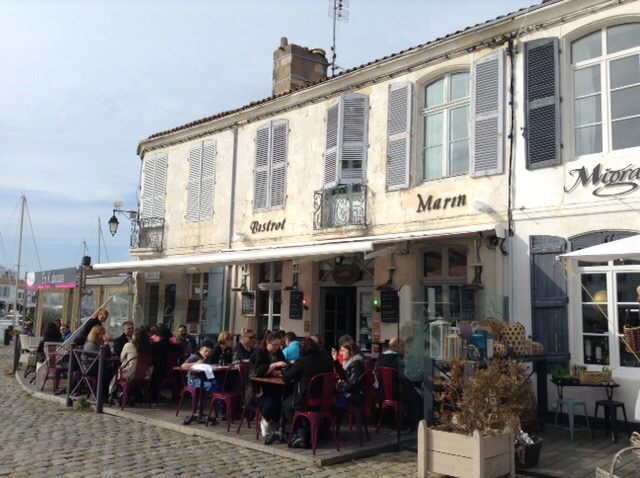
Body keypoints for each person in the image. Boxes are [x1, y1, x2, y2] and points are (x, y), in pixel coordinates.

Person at [281, 337, 334, 448]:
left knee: (286, 403)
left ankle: (301, 433)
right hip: (326, 400)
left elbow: (286, 378)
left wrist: (290, 364)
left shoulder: (303, 362)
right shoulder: (326, 357)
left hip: (308, 401)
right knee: (293, 401)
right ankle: (311, 431)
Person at [248, 330, 287, 444]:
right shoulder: (259, 353)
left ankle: (277, 424)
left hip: (275, 386)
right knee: (271, 400)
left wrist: (277, 371)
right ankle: (265, 420)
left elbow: (283, 367)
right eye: (275, 345)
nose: (277, 348)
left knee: (284, 398)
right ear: (267, 342)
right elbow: (256, 372)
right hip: (259, 388)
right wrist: (273, 366)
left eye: (279, 345)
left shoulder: (279, 353)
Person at [109, 328, 153, 398]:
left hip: (130, 374)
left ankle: (120, 393)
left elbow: (122, 359)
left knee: (116, 373)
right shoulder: (149, 347)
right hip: (144, 375)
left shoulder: (129, 345)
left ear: (135, 336)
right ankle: (132, 394)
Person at [80, 325, 113, 396]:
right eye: (103, 333)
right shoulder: (91, 345)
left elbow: (107, 355)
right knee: (108, 373)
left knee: (112, 371)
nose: (105, 335)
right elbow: (104, 355)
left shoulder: (98, 343)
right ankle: (101, 395)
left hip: (97, 366)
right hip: (90, 368)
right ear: (96, 334)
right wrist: (106, 342)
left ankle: (108, 394)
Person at [150, 327, 182, 398]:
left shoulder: (154, 346)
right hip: (175, 372)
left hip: (159, 372)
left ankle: (154, 395)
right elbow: (181, 359)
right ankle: (175, 394)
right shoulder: (177, 347)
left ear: (159, 336)